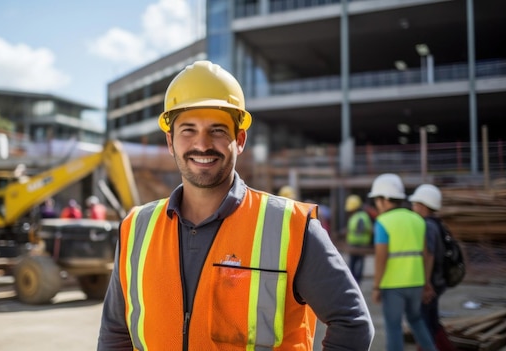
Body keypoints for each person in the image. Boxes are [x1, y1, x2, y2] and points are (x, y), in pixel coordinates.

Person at [98, 60, 374, 350]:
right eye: (188, 130)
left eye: (217, 130)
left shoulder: (291, 227)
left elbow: (351, 323)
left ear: (239, 139)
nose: (202, 144)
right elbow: (116, 331)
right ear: (170, 142)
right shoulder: (136, 228)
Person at [369, 173, 437, 351]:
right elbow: (426, 254)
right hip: (416, 282)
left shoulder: (383, 222)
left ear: (384, 199)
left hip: (393, 286)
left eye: (377, 200)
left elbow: (380, 258)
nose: (377, 204)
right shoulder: (417, 219)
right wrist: (426, 282)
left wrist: (376, 286)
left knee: (393, 326)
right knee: (416, 320)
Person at [409, 184, 457, 351]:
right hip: (437, 281)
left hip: (430, 283)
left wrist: (425, 285)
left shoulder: (427, 226)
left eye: (415, 204)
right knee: (432, 322)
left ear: (422, 206)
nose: (413, 207)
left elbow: (428, 255)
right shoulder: (437, 224)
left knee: (424, 325)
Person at [344, 194, 373, 284]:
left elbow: (362, 230)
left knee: (356, 265)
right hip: (355, 245)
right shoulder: (358, 216)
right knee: (355, 264)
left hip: (359, 245)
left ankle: (356, 281)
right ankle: (355, 280)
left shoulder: (360, 216)